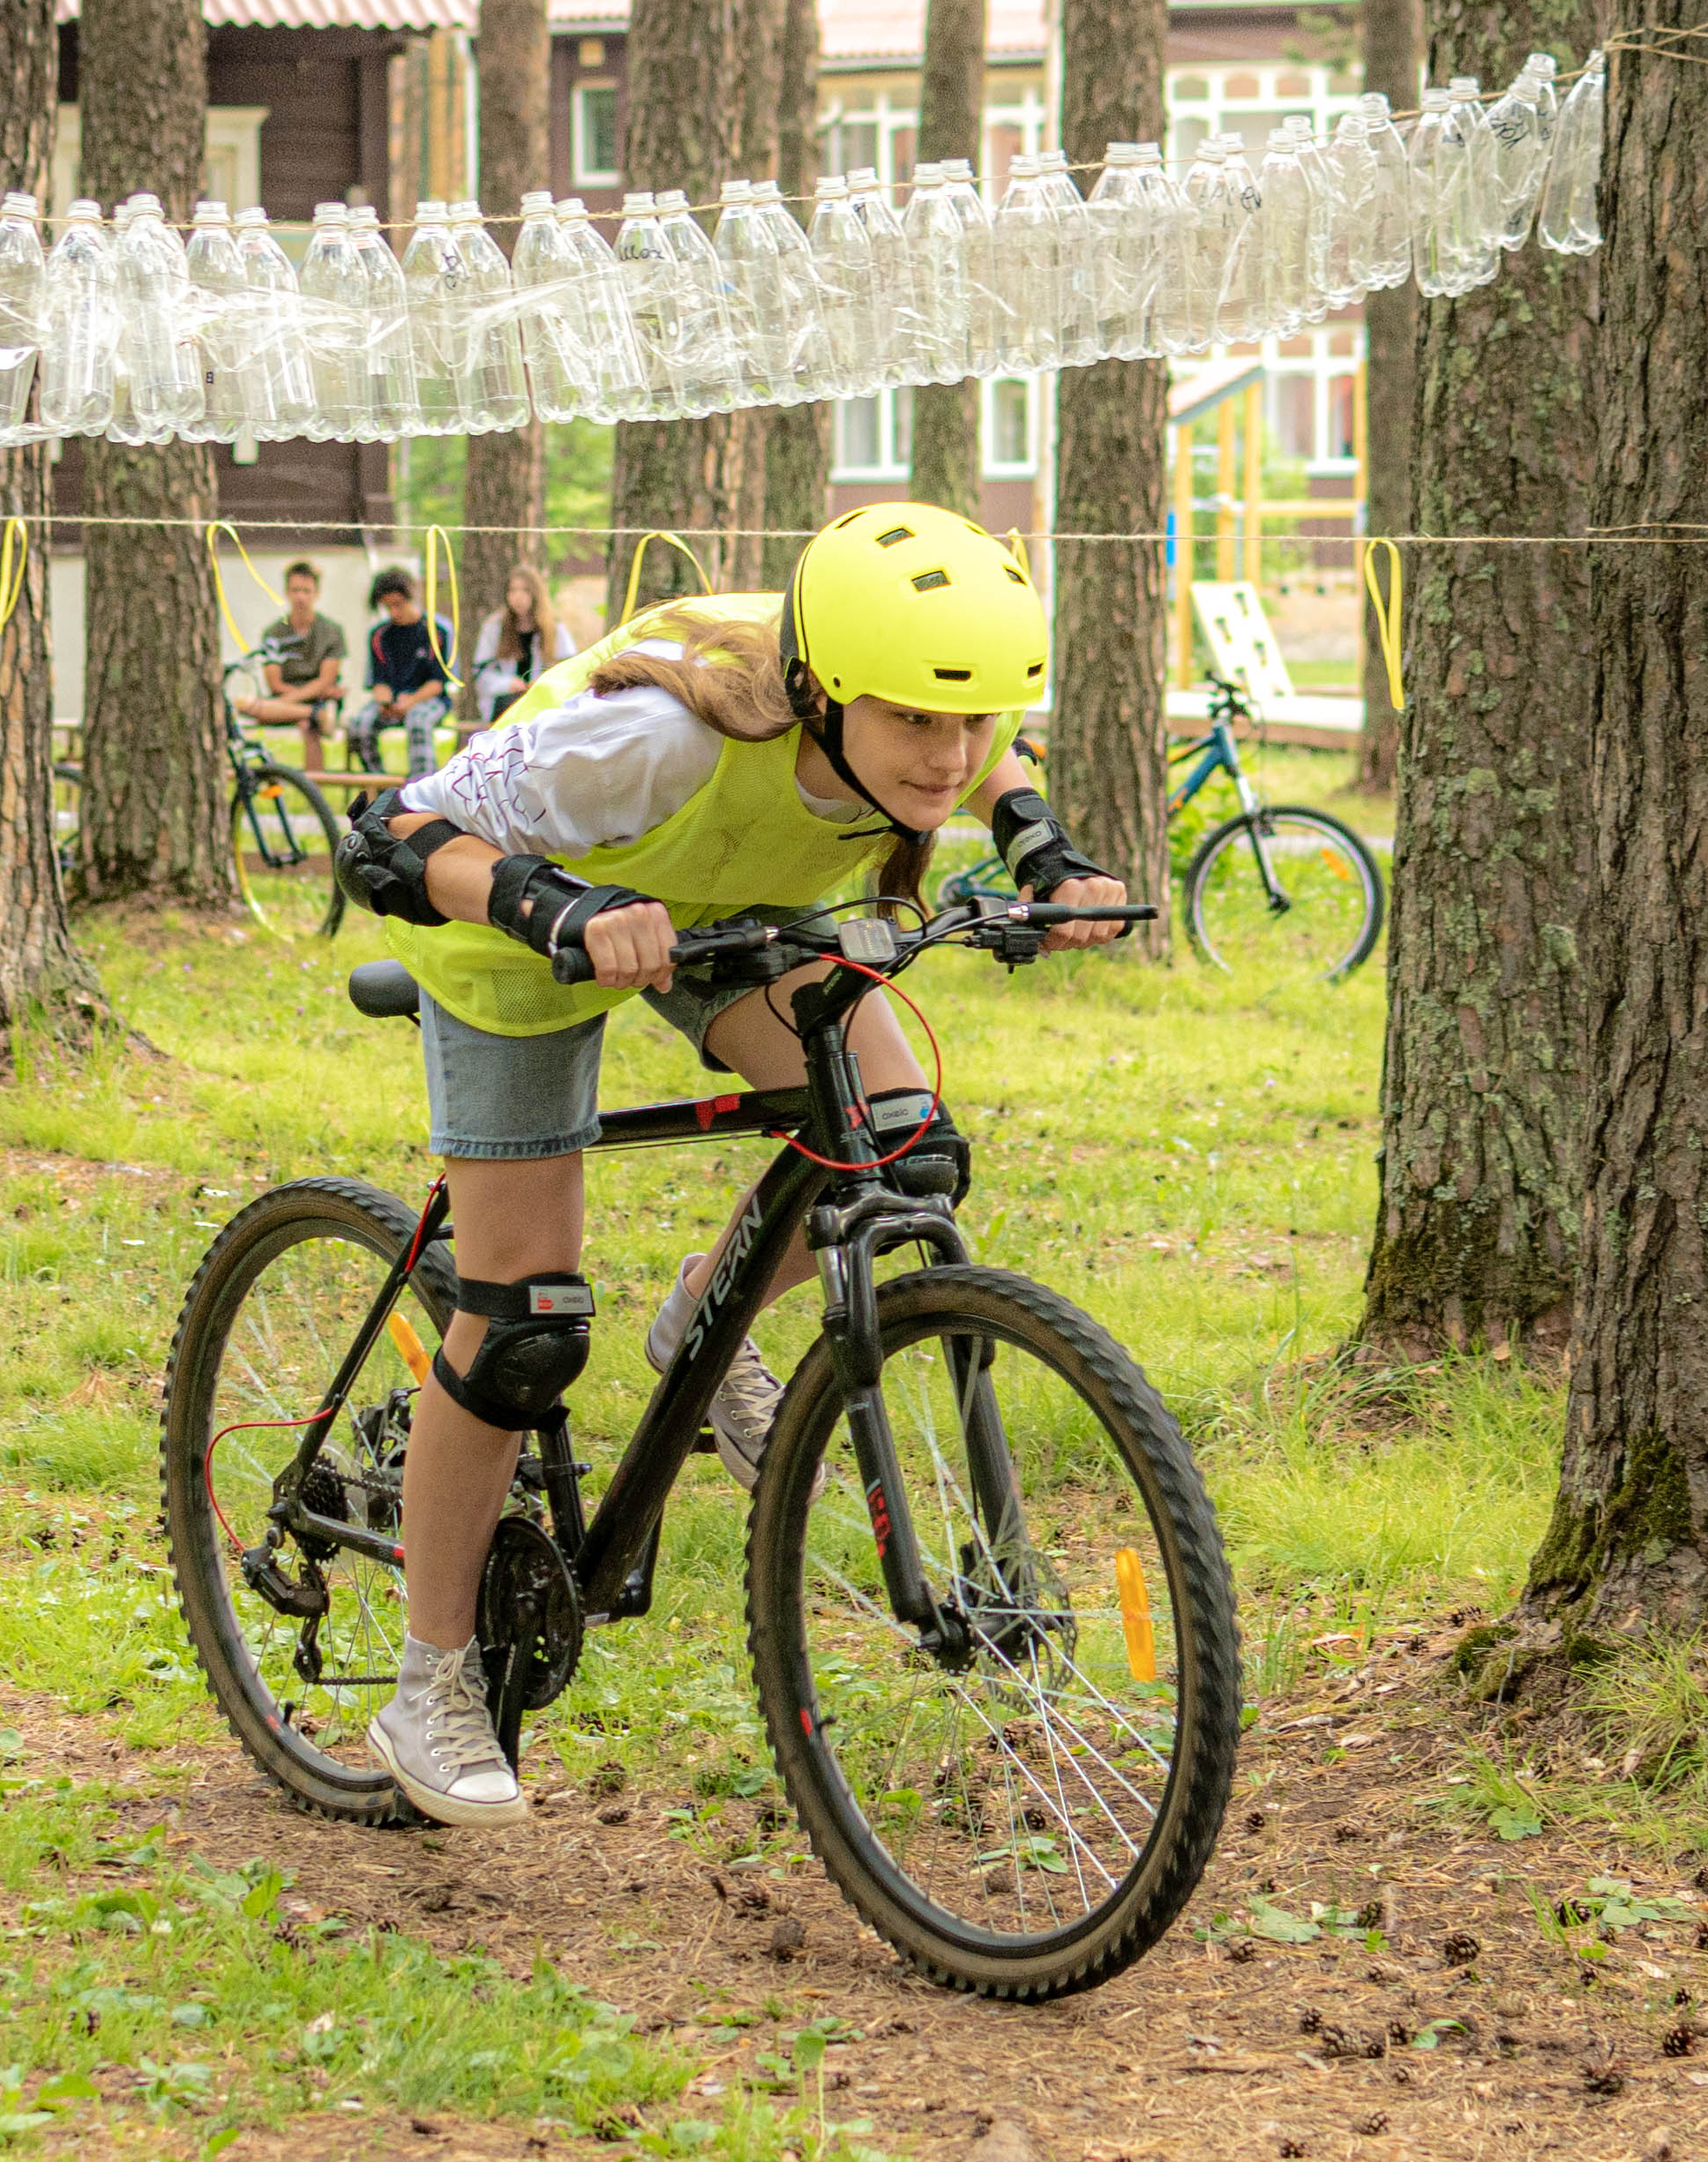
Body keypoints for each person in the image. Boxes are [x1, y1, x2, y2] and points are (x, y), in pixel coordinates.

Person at [344, 502, 1125, 1823]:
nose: (947, 756)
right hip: (517, 937)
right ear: (823, 693)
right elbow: (391, 835)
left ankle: (702, 1318)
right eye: (913, 722)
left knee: (903, 1151)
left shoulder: (909, 696)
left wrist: (1044, 849)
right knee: (523, 1323)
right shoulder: (652, 742)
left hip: (726, 905)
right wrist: (561, 907)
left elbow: (982, 746)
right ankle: (431, 1683)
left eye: (969, 719)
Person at [239, 561, 348, 766]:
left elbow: (325, 680)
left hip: (314, 699)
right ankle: (316, 715)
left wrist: (288, 701)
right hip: (288, 700)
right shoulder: (273, 632)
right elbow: (274, 683)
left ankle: (313, 785)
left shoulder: (332, 631)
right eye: (296, 590)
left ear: (316, 593)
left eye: (306, 591)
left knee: (308, 727)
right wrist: (295, 701)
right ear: (287, 592)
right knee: (244, 705)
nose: (300, 597)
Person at [351, 563, 450, 777]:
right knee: (360, 725)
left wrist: (412, 700)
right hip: (393, 703)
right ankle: (378, 783)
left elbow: (437, 683)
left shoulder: (436, 631)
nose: (394, 613)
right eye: (388, 607)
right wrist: (385, 701)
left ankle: (421, 784)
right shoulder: (379, 635)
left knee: (418, 723)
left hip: (428, 700)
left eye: (398, 605)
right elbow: (379, 682)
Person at [464, 558, 573, 722]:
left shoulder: (554, 628)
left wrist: (542, 683)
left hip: (542, 704)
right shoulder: (494, 627)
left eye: (525, 591)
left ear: (535, 594)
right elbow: (481, 674)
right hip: (504, 703)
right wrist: (507, 684)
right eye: (513, 591)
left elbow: (568, 670)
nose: (518, 597)